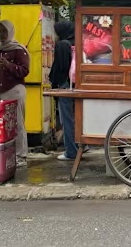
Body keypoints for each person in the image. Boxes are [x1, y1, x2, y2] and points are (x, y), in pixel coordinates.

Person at [0, 20, 30, 165]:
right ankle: (3, 154)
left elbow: (24, 71)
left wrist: (8, 65)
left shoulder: (18, 49)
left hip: (14, 90)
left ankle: (21, 156)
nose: (0, 35)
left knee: (17, 123)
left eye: (3, 31)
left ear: (10, 32)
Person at [49, 21, 78, 161]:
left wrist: (54, 83)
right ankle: (81, 145)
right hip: (77, 84)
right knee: (77, 116)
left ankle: (71, 151)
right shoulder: (76, 42)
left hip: (65, 85)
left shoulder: (62, 45)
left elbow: (60, 68)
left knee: (66, 118)